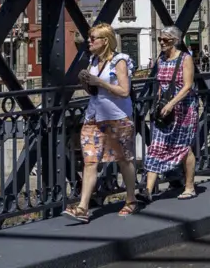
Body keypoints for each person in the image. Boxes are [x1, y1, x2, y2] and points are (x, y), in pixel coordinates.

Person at [64, 24, 138, 223]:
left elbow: (124, 91)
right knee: (90, 161)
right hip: (94, 117)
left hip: (117, 117)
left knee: (124, 159)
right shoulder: (93, 61)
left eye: (93, 38)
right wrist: (86, 82)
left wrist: (100, 82)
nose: (89, 42)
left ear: (105, 41)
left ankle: (131, 199)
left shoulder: (119, 61)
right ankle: (82, 208)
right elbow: (94, 91)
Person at [142, 26, 197, 201]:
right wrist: (159, 105)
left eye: (165, 40)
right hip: (165, 111)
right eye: (160, 39)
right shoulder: (161, 60)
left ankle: (189, 187)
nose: (161, 43)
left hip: (184, 109)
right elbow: (161, 86)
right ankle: (147, 191)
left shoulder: (185, 58)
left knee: (183, 148)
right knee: (156, 146)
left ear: (175, 40)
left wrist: (172, 104)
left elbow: (187, 86)